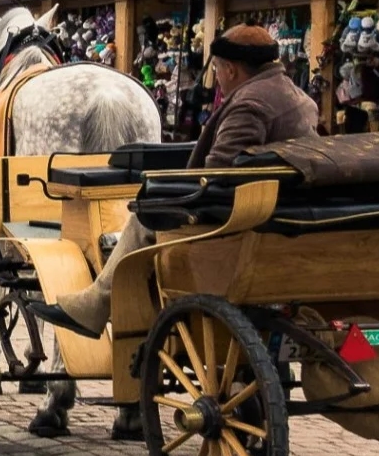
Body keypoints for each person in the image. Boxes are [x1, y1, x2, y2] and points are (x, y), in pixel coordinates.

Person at [59, 25, 319, 337]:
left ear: (231, 69)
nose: (217, 78)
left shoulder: (249, 105)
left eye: (217, 69)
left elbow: (217, 176)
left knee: (146, 214)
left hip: (242, 225)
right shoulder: (300, 98)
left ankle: (97, 304)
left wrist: (165, 189)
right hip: (283, 213)